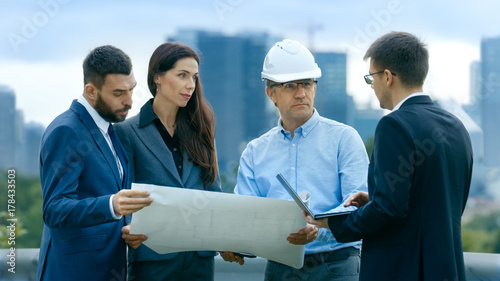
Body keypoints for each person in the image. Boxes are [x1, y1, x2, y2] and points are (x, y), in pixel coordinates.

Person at [304, 32, 474, 281]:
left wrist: (334, 223)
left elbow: (388, 210)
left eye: (370, 77)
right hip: (448, 269)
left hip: (402, 270)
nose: (372, 86)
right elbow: (435, 201)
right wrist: (375, 198)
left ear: (387, 76)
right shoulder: (456, 126)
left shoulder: (394, 125)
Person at [222, 39, 369, 281]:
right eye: (290, 86)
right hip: (281, 269)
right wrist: (233, 243)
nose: (301, 93)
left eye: (307, 84)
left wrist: (318, 228)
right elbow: (246, 217)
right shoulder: (255, 153)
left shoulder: (345, 139)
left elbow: (358, 208)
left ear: (315, 87)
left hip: (338, 266)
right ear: (271, 93)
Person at [36, 45, 153, 281]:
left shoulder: (109, 129)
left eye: (132, 89)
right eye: (119, 93)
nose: (130, 101)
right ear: (91, 91)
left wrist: (128, 225)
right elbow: (54, 209)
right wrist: (112, 205)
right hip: (74, 272)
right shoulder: (67, 131)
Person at [115, 42, 222, 281]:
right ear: (158, 77)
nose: (190, 85)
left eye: (194, 77)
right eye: (182, 75)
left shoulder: (202, 128)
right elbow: (123, 192)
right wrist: (129, 227)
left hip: (199, 260)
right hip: (153, 257)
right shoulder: (127, 132)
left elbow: (214, 192)